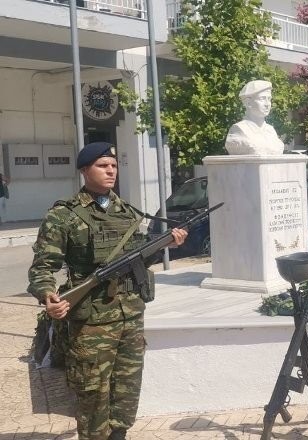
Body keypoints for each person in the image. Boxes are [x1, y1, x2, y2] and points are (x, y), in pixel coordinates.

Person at [27, 142, 188, 440]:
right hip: (91, 323)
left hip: (130, 318)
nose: (111, 171)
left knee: (126, 389)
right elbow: (42, 268)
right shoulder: (63, 216)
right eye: (103, 165)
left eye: (113, 166)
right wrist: (49, 296)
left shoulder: (127, 211)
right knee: (92, 395)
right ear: (84, 170)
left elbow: (138, 259)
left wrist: (167, 244)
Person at [225, 80, 284, 155]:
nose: (267, 104)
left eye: (269, 99)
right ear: (248, 103)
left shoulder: (270, 130)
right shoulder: (239, 129)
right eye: (262, 98)